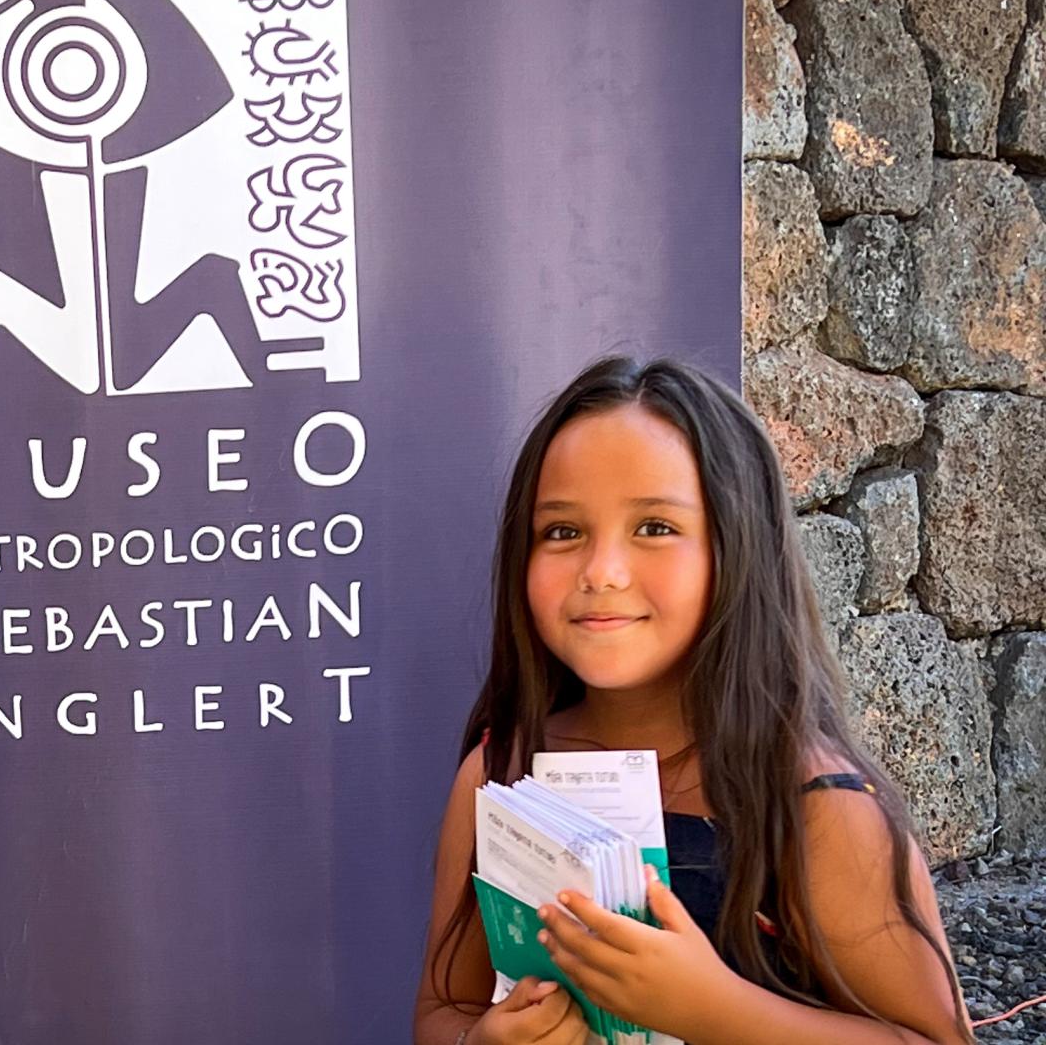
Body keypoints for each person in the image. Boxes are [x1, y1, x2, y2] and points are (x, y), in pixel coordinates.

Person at [412, 356, 971, 1045]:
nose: (602, 572)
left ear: (737, 548)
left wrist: (715, 1011)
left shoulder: (817, 808)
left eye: (654, 527)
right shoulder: (500, 771)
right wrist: (484, 1041)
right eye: (562, 531)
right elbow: (442, 1012)